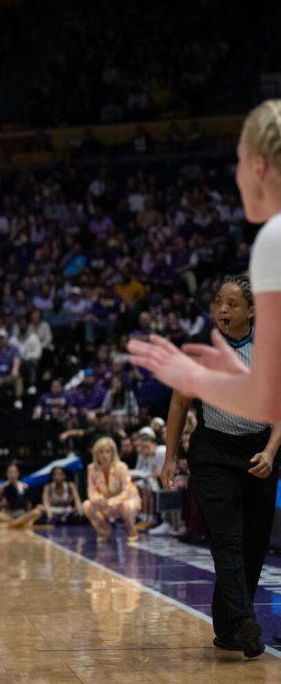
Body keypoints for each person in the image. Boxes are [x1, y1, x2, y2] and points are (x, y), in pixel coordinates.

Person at [129, 102, 281, 426]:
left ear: (258, 168)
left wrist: (191, 377)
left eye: (238, 161)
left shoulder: (275, 237)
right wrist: (243, 379)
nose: (236, 174)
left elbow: (267, 403)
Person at [160, 273, 279, 658]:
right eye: (218, 303)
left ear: (252, 310)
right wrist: (170, 456)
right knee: (226, 539)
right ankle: (245, 622)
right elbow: (179, 403)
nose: (223, 310)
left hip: (259, 452)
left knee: (253, 545)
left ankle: (227, 629)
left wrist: (272, 451)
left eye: (232, 304)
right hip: (212, 453)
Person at [81, 436, 141, 542]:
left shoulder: (121, 467)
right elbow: (91, 490)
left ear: (113, 453)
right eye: (101, 452)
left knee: (128, 506)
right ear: (96, 454)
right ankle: (104, 530)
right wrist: (99, 499)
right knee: (87, 505)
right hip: (105, 501)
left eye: (107, 451)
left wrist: (113, 501)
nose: (104, 455)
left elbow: (127, 490)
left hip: (123, 500)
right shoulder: (91, 468)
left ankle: (131, 529)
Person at [0, 463, 44, 528]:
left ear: (18, 474)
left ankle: (11, 525)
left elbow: (29, 505)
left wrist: (24, 503)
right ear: (6, 474)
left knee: (37, 512)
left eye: (14, 472)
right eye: (10, 472)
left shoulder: (24, 486)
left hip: (21, 514)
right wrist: (3, 504)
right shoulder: (1, 487)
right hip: (6, 515)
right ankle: (18, 524)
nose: (12, 475)